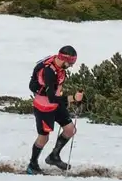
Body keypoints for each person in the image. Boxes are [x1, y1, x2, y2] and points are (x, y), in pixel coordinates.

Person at [29, 46, 83, 174]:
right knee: (44, 138)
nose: (71, 66)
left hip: (56, 104)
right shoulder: (49, 72)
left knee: (70, 130)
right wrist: (73, 98)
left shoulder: (58, 65)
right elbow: (52, 98)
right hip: (44, 107)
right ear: (63, 58)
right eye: (70, 63)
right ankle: (32, 165)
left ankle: (54, 156)